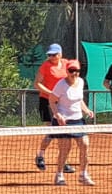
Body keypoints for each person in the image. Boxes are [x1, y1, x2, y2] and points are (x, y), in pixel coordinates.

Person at [33, 44, 79, 172]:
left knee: (63, 132)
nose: (51, 57)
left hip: (62, 102)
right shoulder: (45, 66)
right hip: (47, 101)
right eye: (49, 55)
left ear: (60, 54)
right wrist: (51, 93)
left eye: (54, 54)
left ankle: (63, 162)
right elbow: (37, 84)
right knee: (52, 131)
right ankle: (40, 155)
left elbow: (73, 77)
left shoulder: (66, 64)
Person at [49, 62, 96, 186]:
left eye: (77, 70)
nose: (74, 73)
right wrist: (58, 115)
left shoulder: (80, 82)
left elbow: (79, 100)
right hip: (63, 121)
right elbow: (52, 101)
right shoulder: (61, 85)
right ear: (67, 71)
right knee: (65, 149)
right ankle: (59, 175)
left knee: (85, 145)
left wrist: (87, 110)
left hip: (78, 119)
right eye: (71, 70)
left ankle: (83, 175)